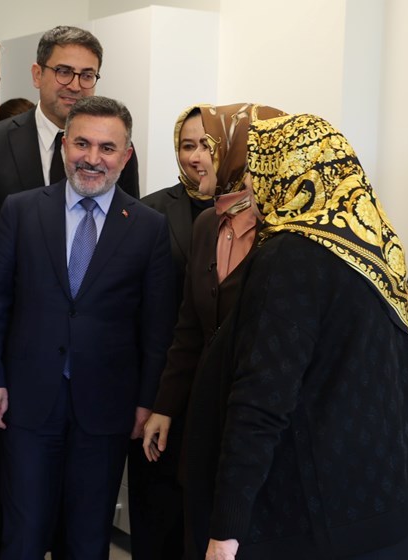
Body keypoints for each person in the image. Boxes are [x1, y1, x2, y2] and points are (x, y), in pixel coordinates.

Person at [187, 113, 408, 559]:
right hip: (380, 500)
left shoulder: (291, 256)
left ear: (287, 173)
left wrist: (226, 527)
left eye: (257, 170)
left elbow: (262, 398)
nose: (250, 184)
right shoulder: (377, 248)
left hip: (308, 513)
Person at [0, 95, 176, 560]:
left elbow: (156, 326)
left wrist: (147, 401)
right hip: (28, 403)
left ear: (126, 155)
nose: (92, 158)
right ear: (64, 145)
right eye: (82, 144)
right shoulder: (20, 211)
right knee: (23, 535)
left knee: (88, 540)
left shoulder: (149, 227)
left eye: (107, 148)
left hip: (106, 409)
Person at [140, 103, 284, 558]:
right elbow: (190, 328)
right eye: (191, 146)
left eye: (211, 146)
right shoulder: (208, 223)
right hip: (204, 412)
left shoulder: (282, 234)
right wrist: (165, 407)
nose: (197, 157)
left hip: (256, 417)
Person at [0, 25, 140, 235]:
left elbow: (129, 224)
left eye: (87, 75)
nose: (75, 86)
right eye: (63, 72)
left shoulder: (113, 151)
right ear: (37, 75)